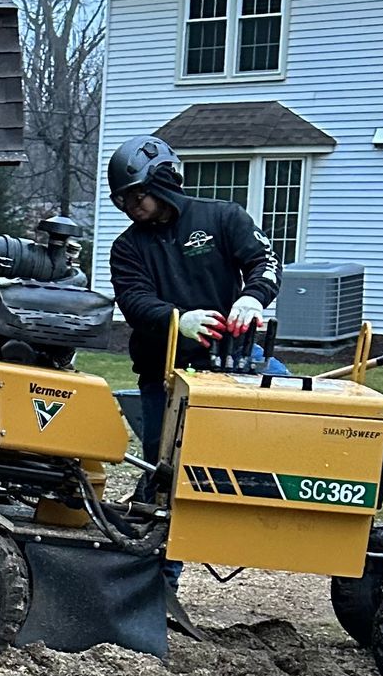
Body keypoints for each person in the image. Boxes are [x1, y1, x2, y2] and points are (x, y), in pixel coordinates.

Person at [105, 134, 283, 463]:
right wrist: (179, 320)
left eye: (137, 196)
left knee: (289, 413)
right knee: (163, 461)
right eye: (122, 201)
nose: (131, 208)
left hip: (233, 358)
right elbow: (134, 300)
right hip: (163, 368)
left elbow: (265, 262)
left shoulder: (222, 217)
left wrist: (252, 298)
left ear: (161, 181)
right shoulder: (127, 247)